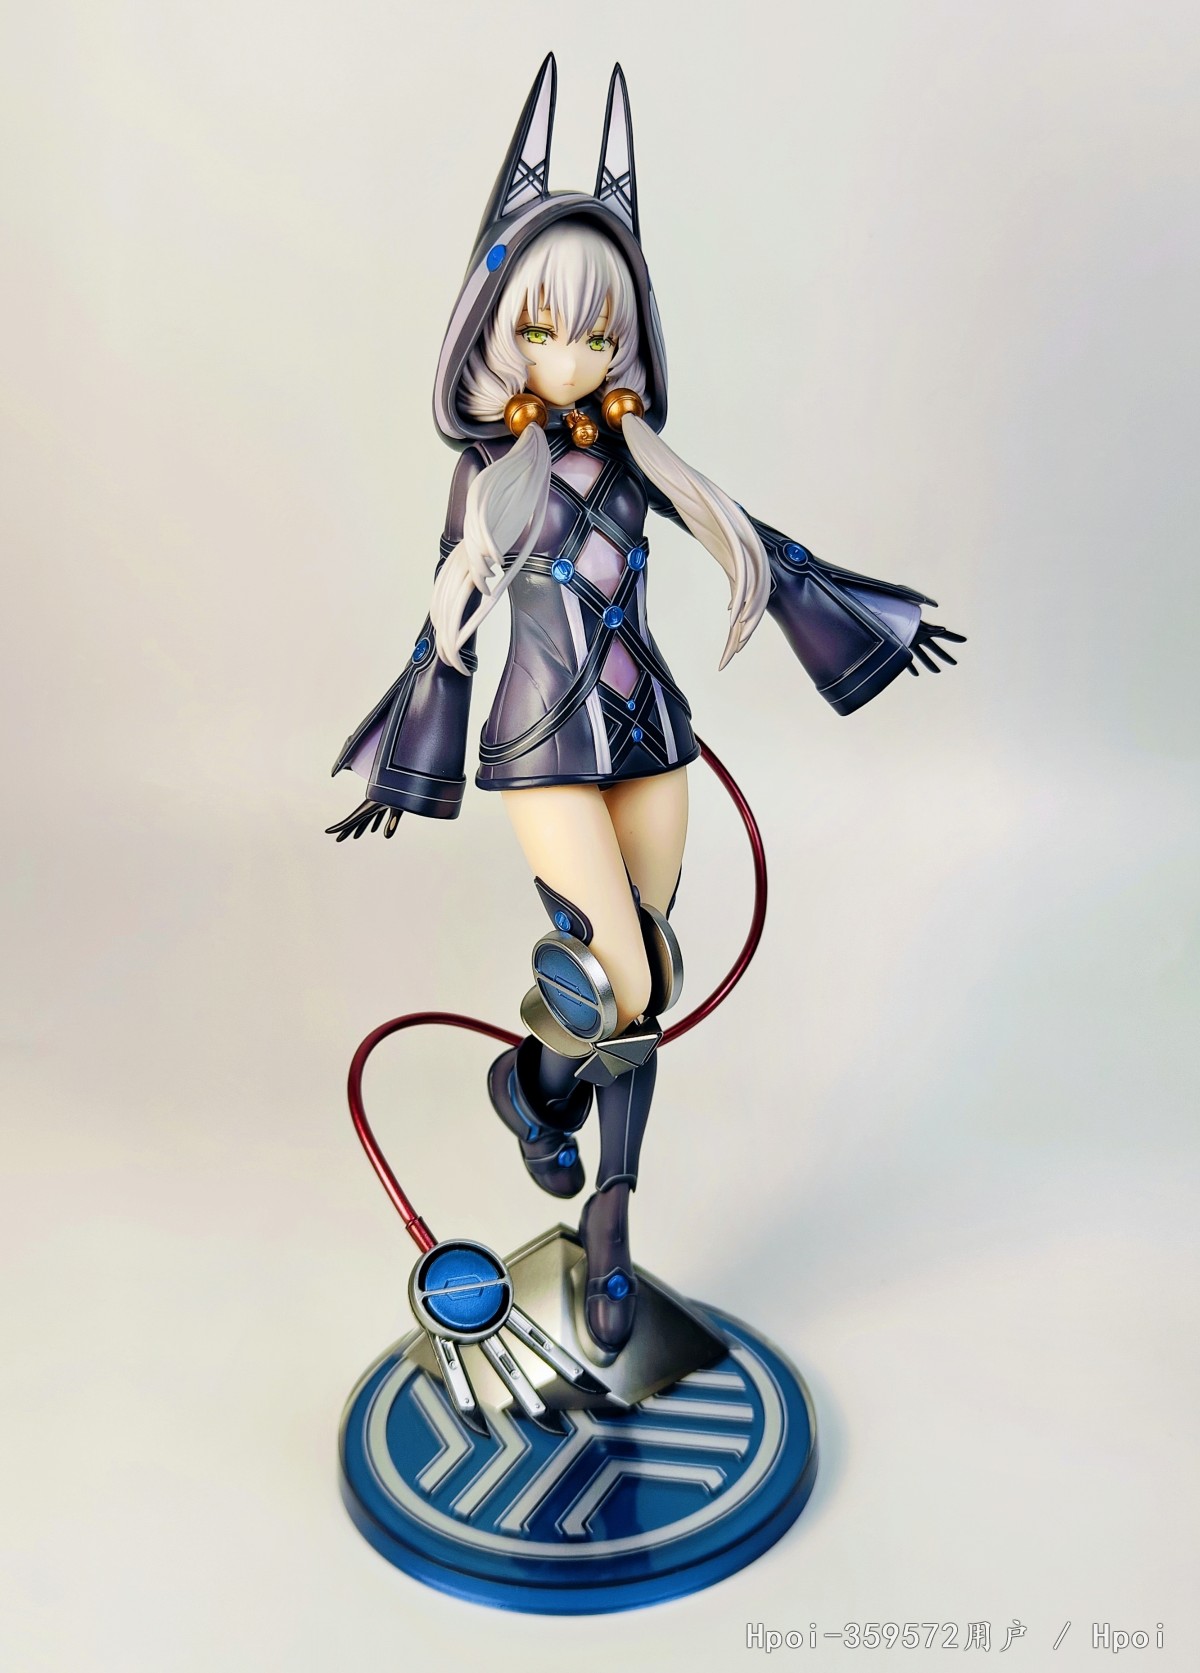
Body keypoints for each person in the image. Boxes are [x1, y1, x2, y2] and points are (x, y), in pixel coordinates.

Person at [327, 56, 964, 1357]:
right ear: (495, 327)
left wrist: (875, 622)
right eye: (544, 329)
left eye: (598, 333)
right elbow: (445, 624)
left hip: (652, 738)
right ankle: (542, 1097)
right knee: (613, 967)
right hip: (542, 742)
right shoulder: (488, 475)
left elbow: (758, 548)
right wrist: (404, 758)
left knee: (647, 980)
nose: (572, 356)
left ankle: (588, 1176)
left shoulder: (637, 454)